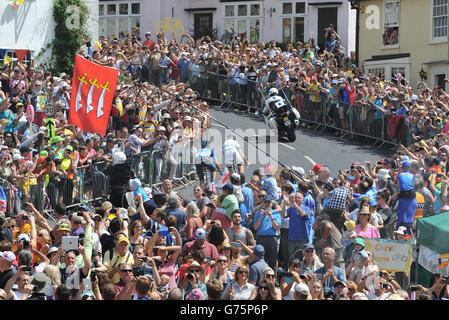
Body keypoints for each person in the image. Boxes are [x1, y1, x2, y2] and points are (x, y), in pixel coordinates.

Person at [252, 197, 281, 271]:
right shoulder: (258, 213)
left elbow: (277, 227)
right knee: (261, 260)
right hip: (261, 238)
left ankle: (273, 279)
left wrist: (271, 216)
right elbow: (255, 227)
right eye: (265, 202)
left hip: (272, 238)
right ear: (263, 204)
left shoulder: (276, 213)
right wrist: (261, 216)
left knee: (272, 261)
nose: (267, 204)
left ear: (272, 204)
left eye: (269, 203)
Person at [281, 192, 311, 261]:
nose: (297, 199)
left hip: (303, 238)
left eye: (299, 198)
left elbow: (303, 214)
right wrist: (285, 203)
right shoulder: (291, 208)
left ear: (303, 200)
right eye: (295, 197)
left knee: (303, 259)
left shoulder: (306, 208)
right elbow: (283, 214)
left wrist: (294, 204)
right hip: (292, 238)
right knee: (291, 258)